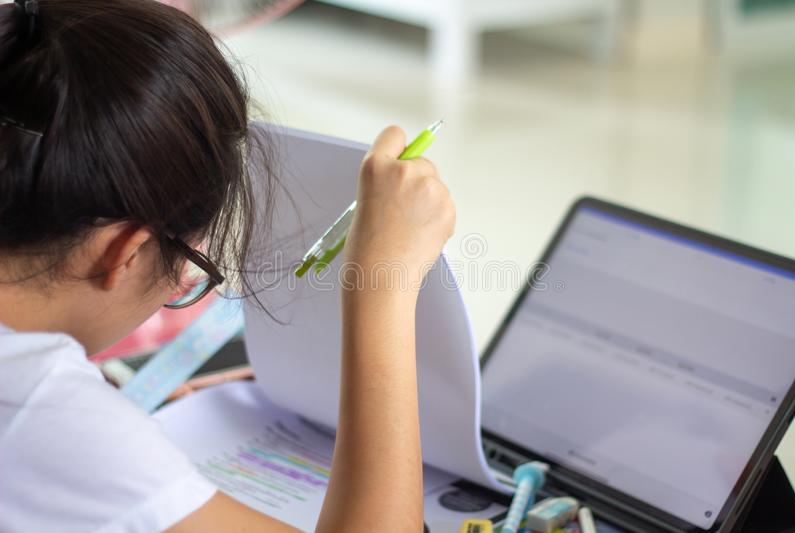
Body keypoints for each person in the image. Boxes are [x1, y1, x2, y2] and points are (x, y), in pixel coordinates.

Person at [0, 1, 455, 531]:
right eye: (192, 266)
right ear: (122, 251)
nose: (183, 282)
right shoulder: (39, 410)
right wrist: (383, 282)